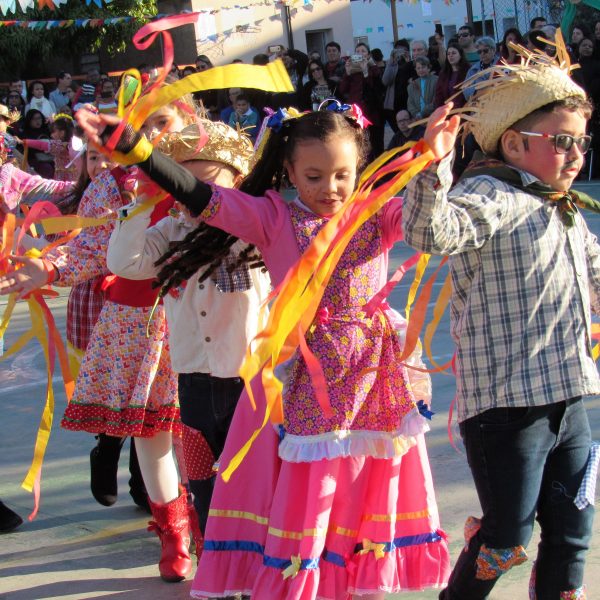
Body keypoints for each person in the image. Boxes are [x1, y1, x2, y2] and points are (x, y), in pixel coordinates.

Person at [77, 104, 451, 599]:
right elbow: (202, 196)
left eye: (342, 175)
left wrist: (434, 162)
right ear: (289, 171)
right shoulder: (273, 217)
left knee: (366, 484)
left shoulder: (378, 211)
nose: (330, 188)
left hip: (372, 375)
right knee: (310, 492)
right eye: (313, 176)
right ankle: (307, 583)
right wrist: (138, 150)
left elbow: (430, 229)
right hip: (304, 380)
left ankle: (359, 584)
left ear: (359, 167)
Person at [403, 40, 599, 600]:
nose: (575, 155)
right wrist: (433, 164)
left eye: (582, 142)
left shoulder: (564, 208)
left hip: (568, 398)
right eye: (561, 141)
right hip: (506, 410)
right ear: (514, 143)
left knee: (573, 530)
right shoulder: (492, 194)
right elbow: (430, 231)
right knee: (506, 539)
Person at [0, 98, 201, 583]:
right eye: (141, 126)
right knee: (151, 436)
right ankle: (174, 535)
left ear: (190, 123)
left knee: (198, 433)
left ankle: (210, 528)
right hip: (135, 324)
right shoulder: (113, 184)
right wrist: (49, 266)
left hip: (200, 319)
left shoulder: (208, 176)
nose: (150, 135)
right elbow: (88, 246)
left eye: (162, 123)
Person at [106, 118, 271, 544]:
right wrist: (142, 203)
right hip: (194, 382)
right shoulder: (169, 232)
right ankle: (213, 556)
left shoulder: (252, 233)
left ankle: (256, 558)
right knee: (204, 483)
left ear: (237, 183)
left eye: (207, 187)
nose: (196, 198)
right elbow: (124, 263)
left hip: (250, 382)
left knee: (253, 481)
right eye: (184, 185)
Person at [339, 42, 385, 158]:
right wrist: (347, 73)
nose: (360, 53)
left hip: (371, 111)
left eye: (363, 51)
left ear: (368, 55)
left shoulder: (374, 69)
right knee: (357, 142)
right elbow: (342, 89)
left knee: (374, 142)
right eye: (358, 51)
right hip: (355, 111)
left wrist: (365, 72)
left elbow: (375, 88)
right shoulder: (352, 70)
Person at [18, 113, 79, 181]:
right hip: (75, 176)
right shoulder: (75, 142)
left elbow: (41, 145)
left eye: (53, 132)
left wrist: (24, 141)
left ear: (62, 133)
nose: (51, 135)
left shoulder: (59, 145)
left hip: (63, 179)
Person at [381, 39, 413, 132]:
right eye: (398, 50)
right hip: (393, 104)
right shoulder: (392, 64)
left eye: (403, 50)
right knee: (398, 132)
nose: (400, 52)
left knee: (409, 131)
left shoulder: (412, 63)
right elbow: (385, 81)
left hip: (408, 103)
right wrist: (392, 62)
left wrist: (408, 62)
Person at [434, 43, 470, 109]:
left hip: (465, 110)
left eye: (454, 53)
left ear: (460, 55)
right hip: (448, 110)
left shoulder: (468, 71)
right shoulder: (443, 73)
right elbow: (439, 95)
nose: (450, 56)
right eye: (448, 54)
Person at [21, 109, 54, 179]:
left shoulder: (46, 130)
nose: (37, 121)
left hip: (50, 157)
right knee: (47, 167)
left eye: (39, 118)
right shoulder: (25, 133)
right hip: (34, 160)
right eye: (34, 119)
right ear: (29, 121)